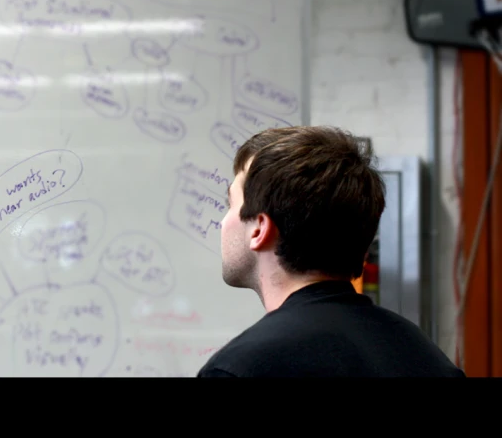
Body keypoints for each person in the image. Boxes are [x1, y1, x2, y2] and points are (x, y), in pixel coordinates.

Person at [197, 125, 465, 377]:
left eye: (230, 203)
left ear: (258, 229)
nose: (223, 221)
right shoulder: (426, 357)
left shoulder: (241, 367)